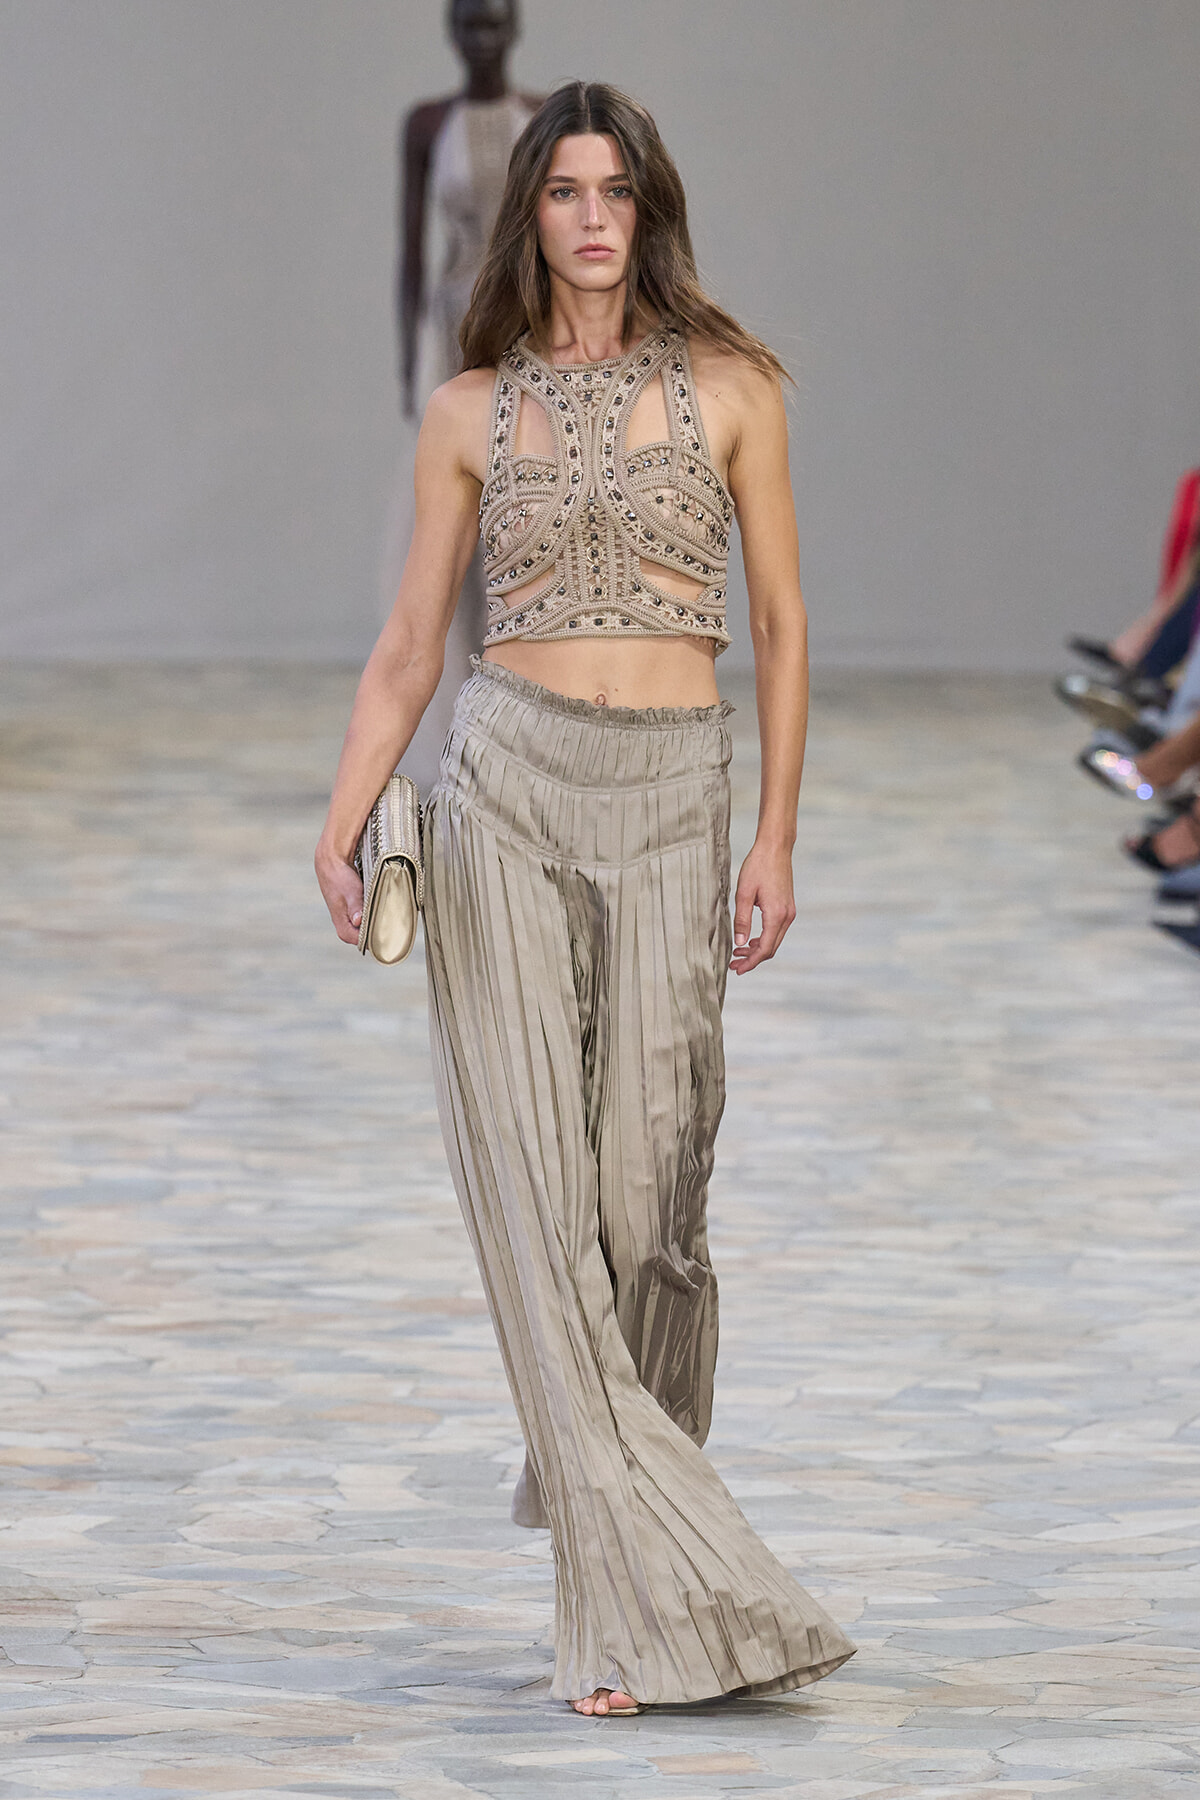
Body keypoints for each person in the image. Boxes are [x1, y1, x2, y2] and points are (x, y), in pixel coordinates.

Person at [316, 81, 856, 1717]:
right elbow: (416, 639)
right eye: (564, 190)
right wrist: (343, 823)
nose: (594, 215)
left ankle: (634, 1554)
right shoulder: (470, 413)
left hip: (677, 795)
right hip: (503, 797)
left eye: (618, 188)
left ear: (654, 207)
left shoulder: (740, 392)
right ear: (532, 216)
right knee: (543, 1216)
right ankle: (640, 1605)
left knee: (648, 1215)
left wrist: (775, 838)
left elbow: (778, 626)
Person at [384, 0, 538, 795]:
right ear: (451, 31)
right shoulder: (426, 123)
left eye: (494, 22)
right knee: (451, 531)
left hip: (529, 327)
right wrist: (409, 373)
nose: (482, 37)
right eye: (469, 22)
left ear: (516, 28)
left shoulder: (542, 115)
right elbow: (410, 252)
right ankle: (446, 737)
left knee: (523, 518)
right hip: (453, 329)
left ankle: (521, 723)